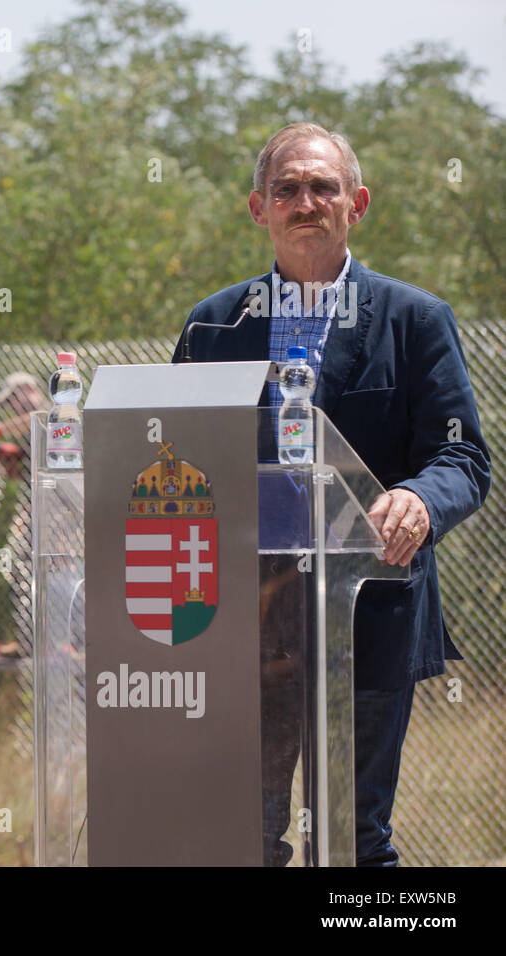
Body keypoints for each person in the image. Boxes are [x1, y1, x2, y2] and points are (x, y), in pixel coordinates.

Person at [174, 123, 491, 865]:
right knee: (239, 835)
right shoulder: (214, 326)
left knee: (351, 836)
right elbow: (180, 458)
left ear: (358, 202)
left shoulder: (415, 321)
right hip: (242, 621)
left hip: (368, 610)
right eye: (287, 189)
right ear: (259, 208)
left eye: (323, 186)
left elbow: (461, 454)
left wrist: (419, 498)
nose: (305, 201)